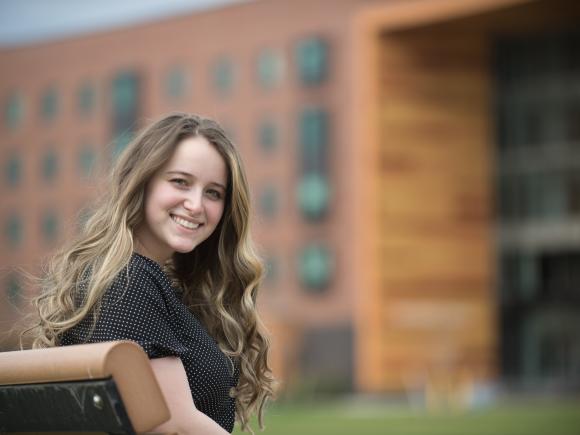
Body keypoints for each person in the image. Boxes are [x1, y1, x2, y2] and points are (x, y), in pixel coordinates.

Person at [22, 113, 275, 434]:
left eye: (213, 193)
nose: (196, 204)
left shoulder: (139, 280)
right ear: (142, 181)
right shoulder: (128, 280)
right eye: (180, 182)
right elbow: (173, 424)